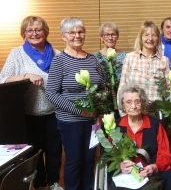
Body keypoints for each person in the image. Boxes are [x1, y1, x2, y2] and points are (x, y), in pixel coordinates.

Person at [0, 16, 63, 190]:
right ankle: (40, 184)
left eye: (38, 29)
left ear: (45, 31)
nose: (34, 33)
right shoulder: (17, 53)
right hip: (29, 113)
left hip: (54, 112)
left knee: (54, 151)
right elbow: (2, 79)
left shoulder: (57, 54)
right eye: (30, 30)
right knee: (35, 153)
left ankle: (54, 182)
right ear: (24, 33)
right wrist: (25, 75)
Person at [46, 17, 104, 190]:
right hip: (70, 122)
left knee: (89, 159)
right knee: (74, 161)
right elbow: (51, 94)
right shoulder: (59, 61)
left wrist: (99, 112)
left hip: (92, 122)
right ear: (63, 36)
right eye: (72, 33)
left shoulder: (93, 59)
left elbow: (101, 88)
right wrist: (79, 111)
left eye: (80, 32)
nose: (77, 36)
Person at [109, 86, 171, 190]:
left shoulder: (155, 125)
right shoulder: (116, 127)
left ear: (143, 103)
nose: (133, 106)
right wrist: (120, 165)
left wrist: (154, 167)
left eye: (137, 102)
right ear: (123, 105)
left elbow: (165, 154)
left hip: (151, 173)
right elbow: (110, 155)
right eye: (128, 102)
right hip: (125, 175)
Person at [118, 20, 170, 105]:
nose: (150, 39)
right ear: (141, 37)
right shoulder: (130, 57)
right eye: (146, 35)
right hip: (134, 110)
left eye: (154, 35)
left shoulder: (164, 60)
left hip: (157, 112)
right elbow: (122, 88)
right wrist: (123, 113)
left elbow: (168, 89)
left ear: (158, 38)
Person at [95, 22, 127, 116]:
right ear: (101, 37)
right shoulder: (96, 57)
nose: (110, 37)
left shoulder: (125, 56)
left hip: (122, 100)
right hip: (104, 102)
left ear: (117, 36)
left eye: (113, 34)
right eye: (106, 35)